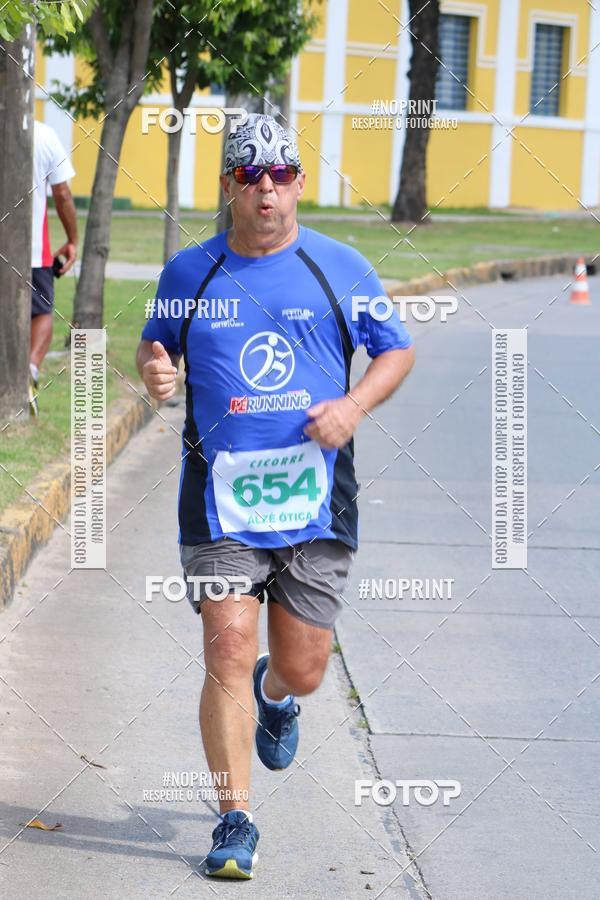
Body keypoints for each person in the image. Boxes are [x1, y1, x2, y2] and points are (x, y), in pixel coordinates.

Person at [136, 113, 415, 879]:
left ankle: (276, 693)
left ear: (298, 182)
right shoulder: (190, 272)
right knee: (226, 645)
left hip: (316, 505)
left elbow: (397, 349)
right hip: (221, 502)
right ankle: (235, 820)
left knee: (305, 667)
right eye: (250, 175)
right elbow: (155, 349)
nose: (267, 188)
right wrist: (156, 375)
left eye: (282, 174)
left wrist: (352, 406)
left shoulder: (339, 266)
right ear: (228, 184)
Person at [29, 120, 77, 415]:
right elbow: (62, 195)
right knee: (42, 312)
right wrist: (72, 238)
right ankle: (30, 369)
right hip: (31, 249)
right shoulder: (43, 135)